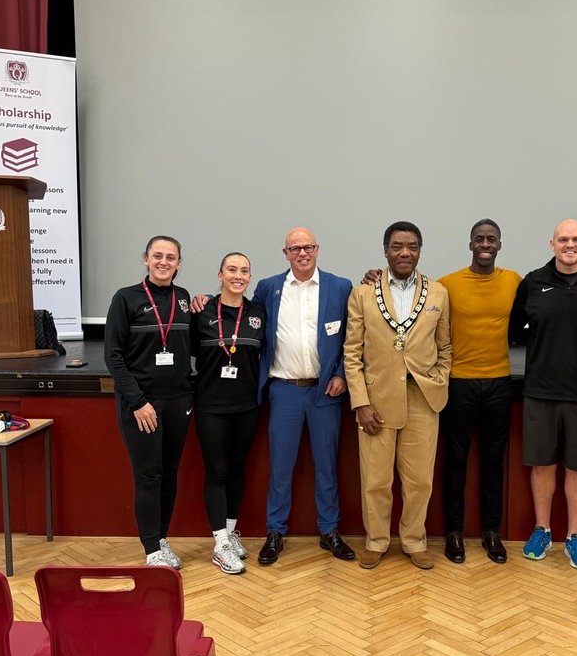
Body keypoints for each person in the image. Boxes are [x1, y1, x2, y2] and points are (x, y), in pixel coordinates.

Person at [344, 221, 452, 570]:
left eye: (412, 246)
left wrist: (439, 378)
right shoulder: (364, 292)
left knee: (419, 480)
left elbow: (445, 346)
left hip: (423, 398)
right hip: (376, 401)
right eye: (397, 246)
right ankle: (376, 541)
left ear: (420, 250)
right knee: (376, 480)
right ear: (385, 250)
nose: (405, 252)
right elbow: (352, 353)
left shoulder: (437, 293)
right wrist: (360, 401)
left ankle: (414, 540)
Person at [508, 219, 577, 569]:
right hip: (540, 391)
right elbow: (515, 331)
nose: (571, 245)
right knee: (542, 464)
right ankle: (543, 529)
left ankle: (575, 536)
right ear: (551, 244)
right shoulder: (533, 282)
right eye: (563, 239)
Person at [252, 228, 356, 565]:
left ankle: (329, 530)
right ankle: (275, 532)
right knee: (280, 466)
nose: (302, 253)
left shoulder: (340, 287)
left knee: (327, 466)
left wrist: (341, 373)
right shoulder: (269, 288)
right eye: (295, 248)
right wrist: (206, 302)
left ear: (317, 249)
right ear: (285, 253)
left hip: (326, 390)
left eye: (308, 247)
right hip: (284, 390)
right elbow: (243, 317)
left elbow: (353, 336)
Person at [104, 235, 194, 568]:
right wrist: (138, 401)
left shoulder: (183, 299)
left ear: (179, 263)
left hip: (178, 402)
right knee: (149, 476)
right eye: (158, 256)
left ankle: (162, 539)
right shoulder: (125, 298)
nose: (164, 262)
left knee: (169, 474)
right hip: (142, 405)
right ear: (145, 259)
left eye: (171, 257)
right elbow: (113, 356)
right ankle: (152, 551)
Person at [437, 219, 521, 564]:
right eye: (479, 239)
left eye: (492, 239)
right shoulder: (447, 284)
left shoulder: (514, 281)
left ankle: (491, 532)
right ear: (470, 244)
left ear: (499, 244)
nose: (485, 244)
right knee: (455, 460)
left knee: (493, 460)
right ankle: (453, 533)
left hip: (500, 382)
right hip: (459, 383)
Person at [190, 252, 267, 575]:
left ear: (250, 277)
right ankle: (219, 543)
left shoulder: (258, 313)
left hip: (247, 406)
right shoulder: (201, 311)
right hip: (211, 406)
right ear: (220, 274)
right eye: (232, 270)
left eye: (245, 271)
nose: (239, 275)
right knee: (217, 472)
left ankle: (230, 531)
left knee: (237, 470)